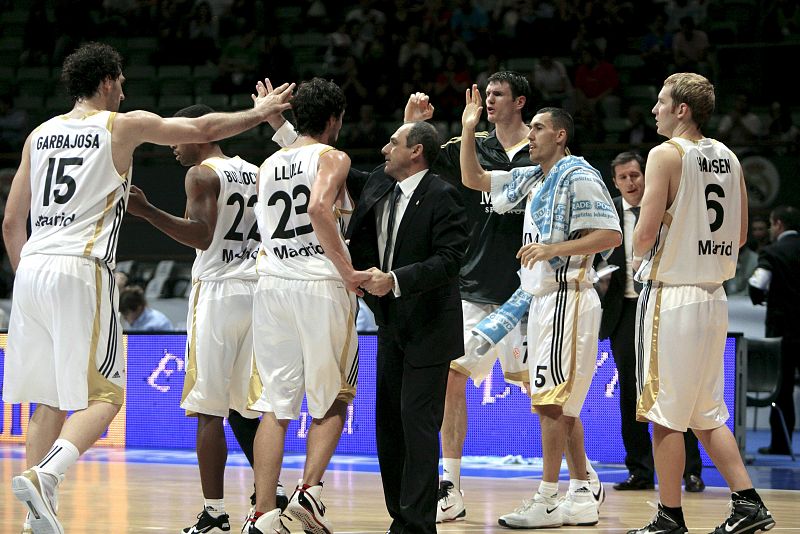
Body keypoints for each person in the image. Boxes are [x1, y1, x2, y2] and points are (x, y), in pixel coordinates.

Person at [1, 41, 292, 534]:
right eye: (122, 84)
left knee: (46, 399)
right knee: (107, 398)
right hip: (81, 265)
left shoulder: (38, 135)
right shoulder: (121, 124)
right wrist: (259, 112)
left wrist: (29, 276)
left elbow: (11, 221)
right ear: (110, 82)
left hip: (29, 269)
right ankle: (47, 475)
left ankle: (35, 519)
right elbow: (201, 129)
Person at [405, 74, 604, 524]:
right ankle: (450, 486)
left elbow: (602, 231)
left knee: (550, 395)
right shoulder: (470, 146)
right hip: (473, 290)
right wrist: (417, 125)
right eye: (485, 95)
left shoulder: (549, 165)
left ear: (521, 103)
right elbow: (414, 169)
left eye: (497, 95)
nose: (488, 101)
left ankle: (582, 479)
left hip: (530, 295)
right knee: (452, 377)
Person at [459, 92, 621, 529]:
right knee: (559, 404)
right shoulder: (533, 176)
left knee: (550, 403)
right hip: (539, 299)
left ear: (560, 135)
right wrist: (469, 128)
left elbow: (610, 234)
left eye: (538, 128)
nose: (529, 134)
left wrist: (554, 248)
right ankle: (583, 488)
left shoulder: (578, 172)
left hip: (567, 294)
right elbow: (474, 179)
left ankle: (548, 497)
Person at [125, 103, 287, 533]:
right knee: (250, 407)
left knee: (208, 411)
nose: (172, 146)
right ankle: (269, 496)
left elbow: (201, 235)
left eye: (177, 136)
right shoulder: (255, 170)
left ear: (199, 133)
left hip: (217, 292)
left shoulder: (200, 174)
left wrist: (147, 212)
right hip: (256, 290)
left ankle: (214, 513)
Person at [629, 72, 774, 534]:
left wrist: (645, 235)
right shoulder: (731, 157)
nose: (654, 109)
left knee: (664, 414)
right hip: (714, 298)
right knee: (706, 412)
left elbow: (644, 237)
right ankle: (748, 502)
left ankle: (669, 516)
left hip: (672, 297)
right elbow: (743, 234)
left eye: (660, 101)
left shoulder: (663, 154)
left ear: (681, 110)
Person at [245, 78, 370, 534]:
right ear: (335, 119)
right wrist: (348, 272)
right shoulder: (333, 157)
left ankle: (261, 514)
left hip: (272, 284)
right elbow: (319, 207)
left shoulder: (268, 163)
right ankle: (307, 493)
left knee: (276, 406)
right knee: (333, 398)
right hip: (319, 284)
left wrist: (274, 118)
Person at [347, 120, 469, 534]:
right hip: (390, 324)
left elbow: (450, 260)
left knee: (417, 426)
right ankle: (400, 516)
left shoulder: (443, 194)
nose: (384, 149)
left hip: (430, 327)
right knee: (389, 425)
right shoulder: (381, 188)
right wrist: (281, 127)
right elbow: (334, 164)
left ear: (416, 152)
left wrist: (394, 280)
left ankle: (418, 525)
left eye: (393, 142)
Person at [597, 151, 705, 494]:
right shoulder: (607, 210)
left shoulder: (665, 204)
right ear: (614, 182)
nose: (631, 182)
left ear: (646, 176)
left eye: (635, 175)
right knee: (630, 393)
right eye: (623, 177)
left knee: (675, 387)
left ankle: (690, 471)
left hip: (663, 305)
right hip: (624, 310)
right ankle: (640, 471)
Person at [748, 205, 800, 456]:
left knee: (782, 388)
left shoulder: (773, 252)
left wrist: (761, 298)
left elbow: (757, 284)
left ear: (778, 224)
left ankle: (781, 444)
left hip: (784, 332)